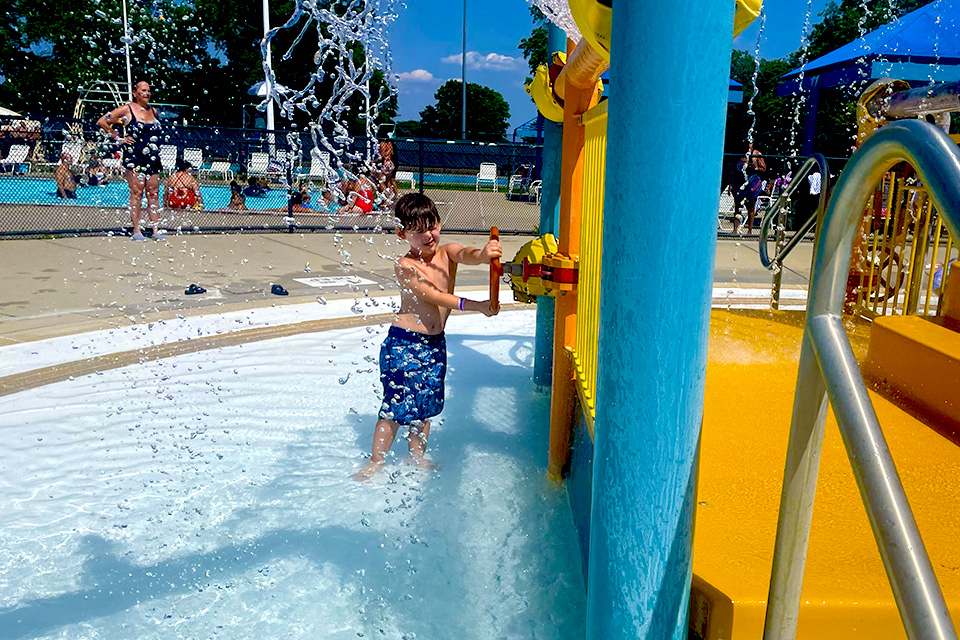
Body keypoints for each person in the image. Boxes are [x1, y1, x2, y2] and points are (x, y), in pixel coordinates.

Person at [352, 193, 501, 481]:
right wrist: (477, 306)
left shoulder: (447, 252)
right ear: (402, 233)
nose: (427, 235)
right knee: (395, 407)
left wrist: (485, 255)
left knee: (424, 407)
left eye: (431, 226)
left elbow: (468, 253)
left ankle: (416, 457)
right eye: (417, 230)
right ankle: (375, 461)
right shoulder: (405, 265)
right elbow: (433, 296)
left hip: (434, 345)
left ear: (439, 223)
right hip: (404, 343)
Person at [96, 80, 165, 241]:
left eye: (148, 90)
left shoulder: (153, 112)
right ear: (135, 93)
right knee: (137, 193)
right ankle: (136, 230)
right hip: (135, 158)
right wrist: (118, 138)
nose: (146, 93)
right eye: (143, 90)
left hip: (153, 159)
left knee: (153, 193)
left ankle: (155, 229)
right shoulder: (127, 109)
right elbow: (102, 121)